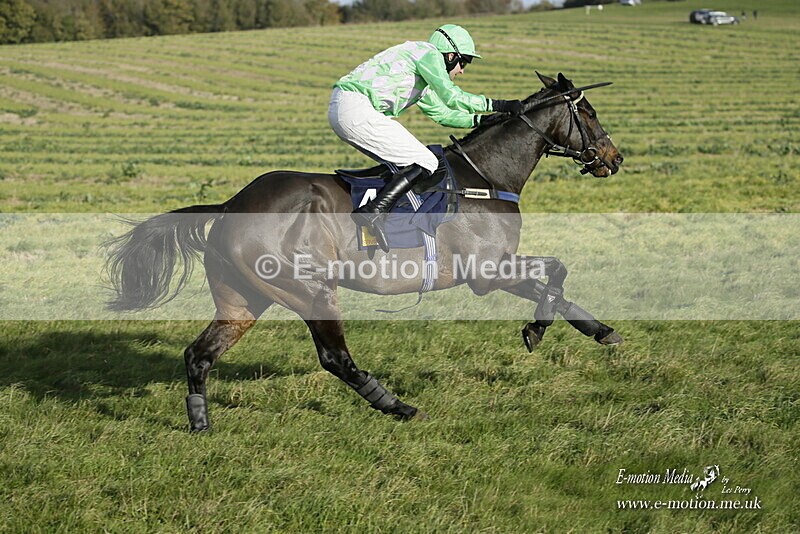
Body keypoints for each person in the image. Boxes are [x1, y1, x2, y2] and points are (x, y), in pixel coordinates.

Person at [329, 24, 522, 252]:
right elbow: (451, 96)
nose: (462, 71)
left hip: (347, 109)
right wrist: (498, 105)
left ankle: (384, 217)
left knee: (409, 163)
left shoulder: (420, 71)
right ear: (451, 56)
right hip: (356, 109)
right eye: (464, 62)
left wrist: (481, 121)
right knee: (427, 161)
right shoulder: (427, 53)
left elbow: (442, 113)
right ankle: (373, 213)